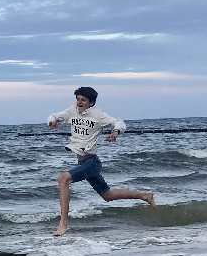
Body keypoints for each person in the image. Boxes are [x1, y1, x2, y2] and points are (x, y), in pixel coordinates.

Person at [48, 87, 155, 237]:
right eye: (78, 99)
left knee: (63, 178)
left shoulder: (98, 115)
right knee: (108, 195)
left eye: (83, 100)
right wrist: (52, 122)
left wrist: (116, 132)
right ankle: (144, 195)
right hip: (83, 163)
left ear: (91, 102)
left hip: (91, 162)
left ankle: (63, 224)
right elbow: (54, 116)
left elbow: (118, 122)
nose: (79, 102)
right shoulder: (72, 110)